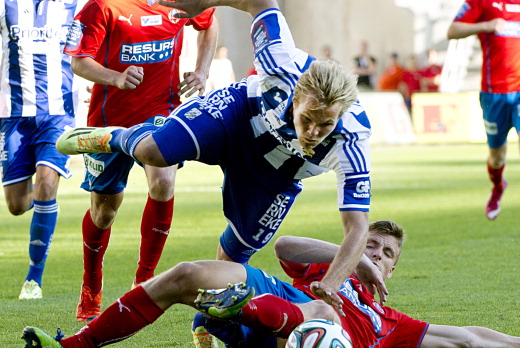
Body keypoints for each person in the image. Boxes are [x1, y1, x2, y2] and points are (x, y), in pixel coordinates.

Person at [57, 0, 381, 311]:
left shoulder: (352, 140)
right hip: (237, 116)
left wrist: (333, 282)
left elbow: (357, 226)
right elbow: (259, 1)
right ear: (295, 97)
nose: (312, 131)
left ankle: (205, 323)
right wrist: (205, 1)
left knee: (229, 268)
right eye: (307, 119)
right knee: (155, 152)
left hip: (276, 173)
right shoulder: (279, 60)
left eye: (324, 125)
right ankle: (114, 137)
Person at [21, 220, 520, 348]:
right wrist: (352, 256)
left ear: (397, 269)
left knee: (323, 310)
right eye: (373, 247)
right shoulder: (325, 265)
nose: (379, 259)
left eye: (389, 255)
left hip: (288, 338)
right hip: (276, 299)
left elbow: (464, 336)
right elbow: (286, 242)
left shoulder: (389, 320)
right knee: (189, 272)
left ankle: (240, 312)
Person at [63, 0, 219, 322]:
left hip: (161, 114)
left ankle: (144, 281)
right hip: (108, 125)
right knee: (104, 212)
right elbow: (80, 62)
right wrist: (116, 77)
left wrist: (203, 70)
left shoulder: (180, 3)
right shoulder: (102, 6)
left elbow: (209, 24)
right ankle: (91, 285)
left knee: (163, 182)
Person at [447, 0, 520, 233]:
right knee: (497, 156)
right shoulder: (479, 2)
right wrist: (486, 25)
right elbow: (453, 30)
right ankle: (498, 186)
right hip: (494, 94)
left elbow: (517, 33)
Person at [0, 0, 79, 299]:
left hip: (59, 113)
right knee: (17, 205)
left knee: (46, 182)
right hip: (13, 115)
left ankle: (33, 279)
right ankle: (45, 209)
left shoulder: (75, 5)